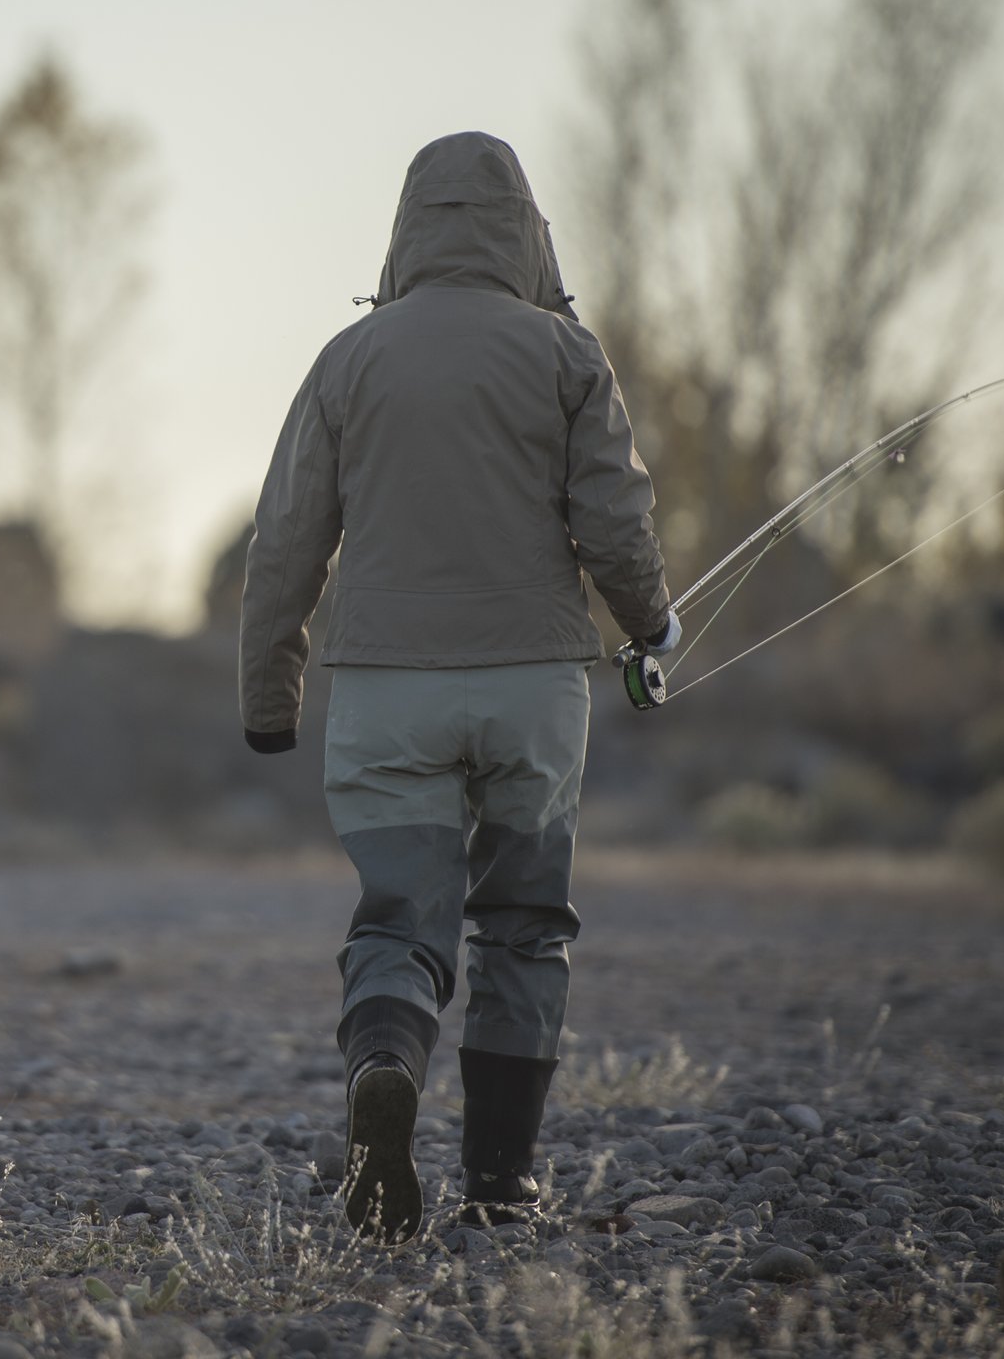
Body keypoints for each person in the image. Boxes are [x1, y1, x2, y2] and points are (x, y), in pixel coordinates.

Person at [238, 131, 677, 1242]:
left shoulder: (349, 357)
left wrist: (268, 696)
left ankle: (384, 1058)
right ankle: (500, 1183)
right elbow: (614, 523)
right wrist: (652, 623)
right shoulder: (568, 354)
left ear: (404, 231)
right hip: (533, 685)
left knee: (401, 912)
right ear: (529, 232)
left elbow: (284, 541)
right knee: (522, 922)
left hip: (386, 687)